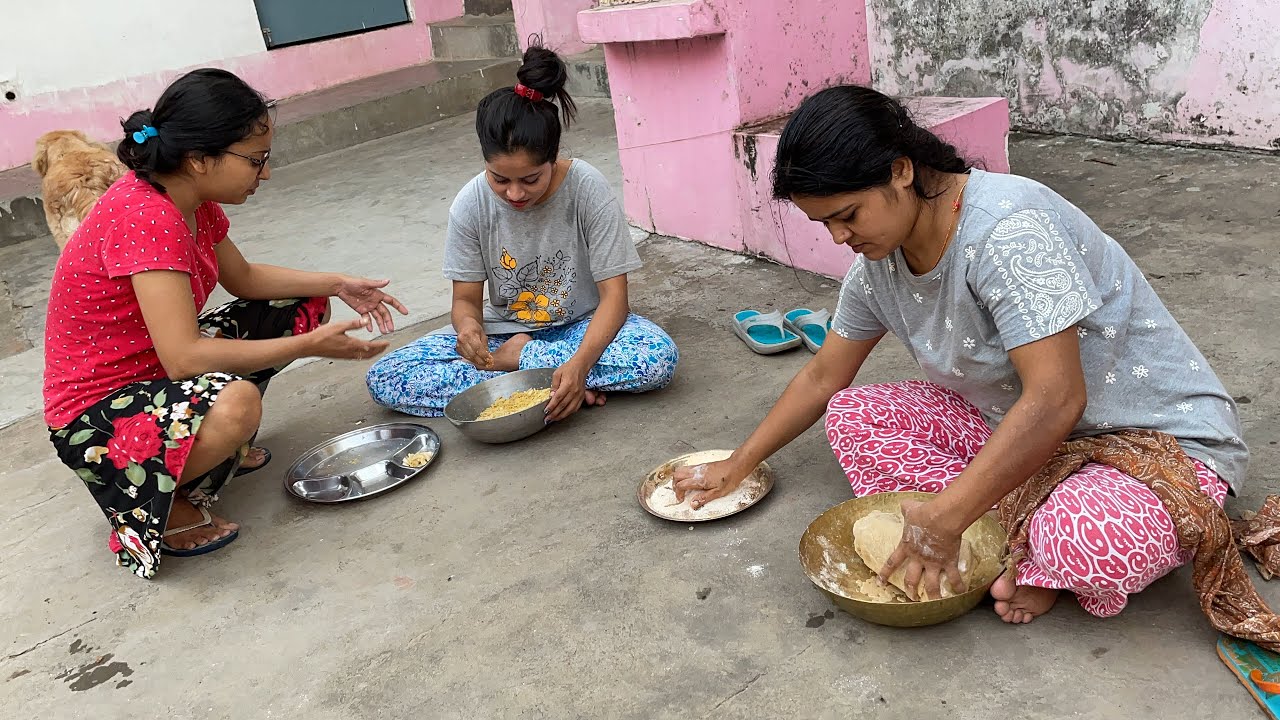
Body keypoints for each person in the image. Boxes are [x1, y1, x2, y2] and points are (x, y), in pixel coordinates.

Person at [673, 86, 1247, 623]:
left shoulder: (1009, 229)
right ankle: (1013, 537)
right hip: (1019, 428)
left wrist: (946, 517)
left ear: (900, 170)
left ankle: (1021, 542)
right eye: (824, 224)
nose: (839, 239)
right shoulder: (880, 265)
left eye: (848, 215)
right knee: (855, 418)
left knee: (1092, 538)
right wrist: (739, 462)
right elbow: (826, 376)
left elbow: (1057, 398)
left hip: (1152, 443)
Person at [44, 69, 408, 578]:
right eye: (255, 161)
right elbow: (185, 356)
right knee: (238, 404)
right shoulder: (145, 216)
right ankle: (147, 499)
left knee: (301, 303)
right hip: (97, 415)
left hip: (154, 374)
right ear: (198, 159)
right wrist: (306, 347)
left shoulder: (190, 198)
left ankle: (198, 451)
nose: (265, 174)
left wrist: (336, 282)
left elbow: (243, 277)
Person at [366, 41, 678, 421]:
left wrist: (571, 362)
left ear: (553, 157)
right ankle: (557, 386)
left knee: (655, 357)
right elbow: (465, 300)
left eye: (531, 179)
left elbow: (615, 298)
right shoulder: (470, 204)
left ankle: (530, 377)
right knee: (387, 376)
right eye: (500, 179)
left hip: (581, 329)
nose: (514, 193)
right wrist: (469, 331)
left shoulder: (587, 188)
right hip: (502, 335)